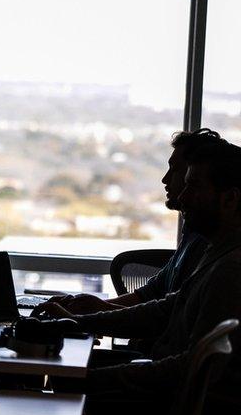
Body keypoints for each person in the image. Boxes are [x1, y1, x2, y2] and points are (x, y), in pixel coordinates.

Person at [44, 139, 241, 415]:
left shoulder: (230, 271)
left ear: (230, 199)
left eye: (194, 187)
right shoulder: (216, 252)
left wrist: (91, 377)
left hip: (162, 410)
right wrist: (80, 322)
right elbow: (164, 309)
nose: (183, 198)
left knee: (54, 394)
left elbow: (187, 368)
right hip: (158, 391)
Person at [42, 128, 223, 315]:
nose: (165, 179)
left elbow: (166, 318)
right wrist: (86, 309)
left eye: (176, 171)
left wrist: (94, 312)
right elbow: (150, 294)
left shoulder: (210, 245)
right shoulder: (193, 232)